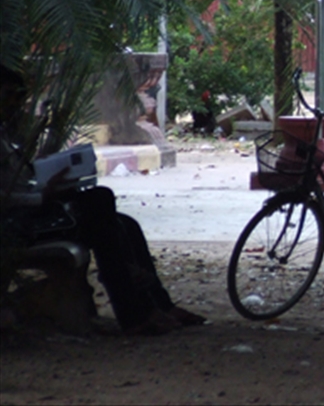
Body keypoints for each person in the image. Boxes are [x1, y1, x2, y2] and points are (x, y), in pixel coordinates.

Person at [1, 65, 205, 335]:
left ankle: (158, 304)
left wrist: (52, 147)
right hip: (16, 223)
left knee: (124, 224)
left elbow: (26, 173)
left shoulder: (7, 134)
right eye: (9, 95)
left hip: (30, 209)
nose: (15, 104)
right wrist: (41, 196)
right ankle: (134, 312)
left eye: (19, 97)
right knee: (101, 207)